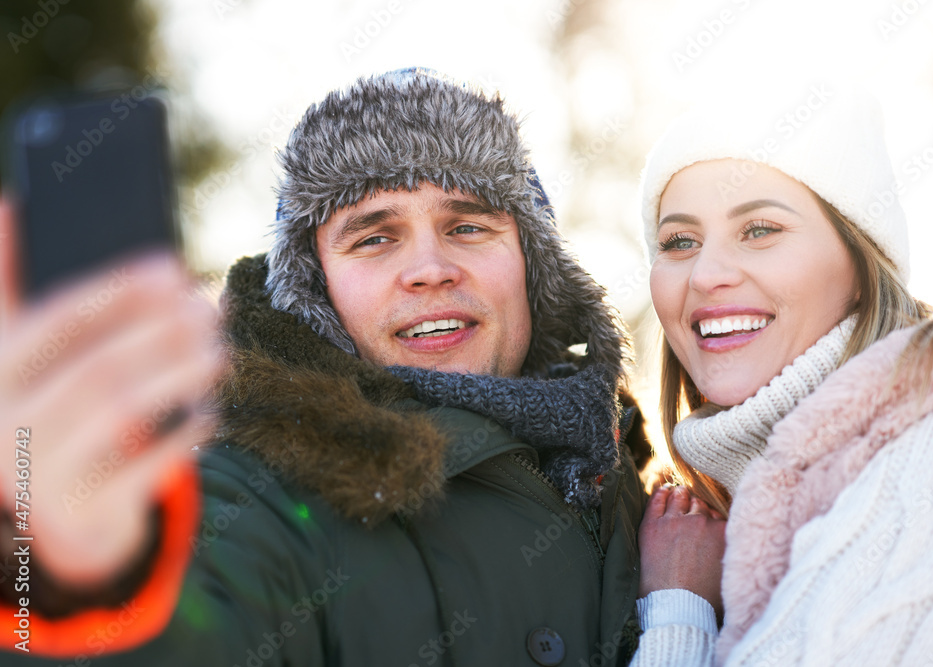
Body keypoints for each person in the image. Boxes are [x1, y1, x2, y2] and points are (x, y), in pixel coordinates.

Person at [0, 69, 650, 665]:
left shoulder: (631, 478)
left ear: (534, 269)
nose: (430, 268)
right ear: (316, 294)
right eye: (374, 237)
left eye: (469, 226)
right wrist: (77, 572)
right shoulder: (257, 501)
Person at [627, 85, 933, 666]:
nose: (706, 273)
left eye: (759, 229)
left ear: (860, 264)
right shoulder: (706, 515)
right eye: (680, 241)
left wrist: (679, 614)